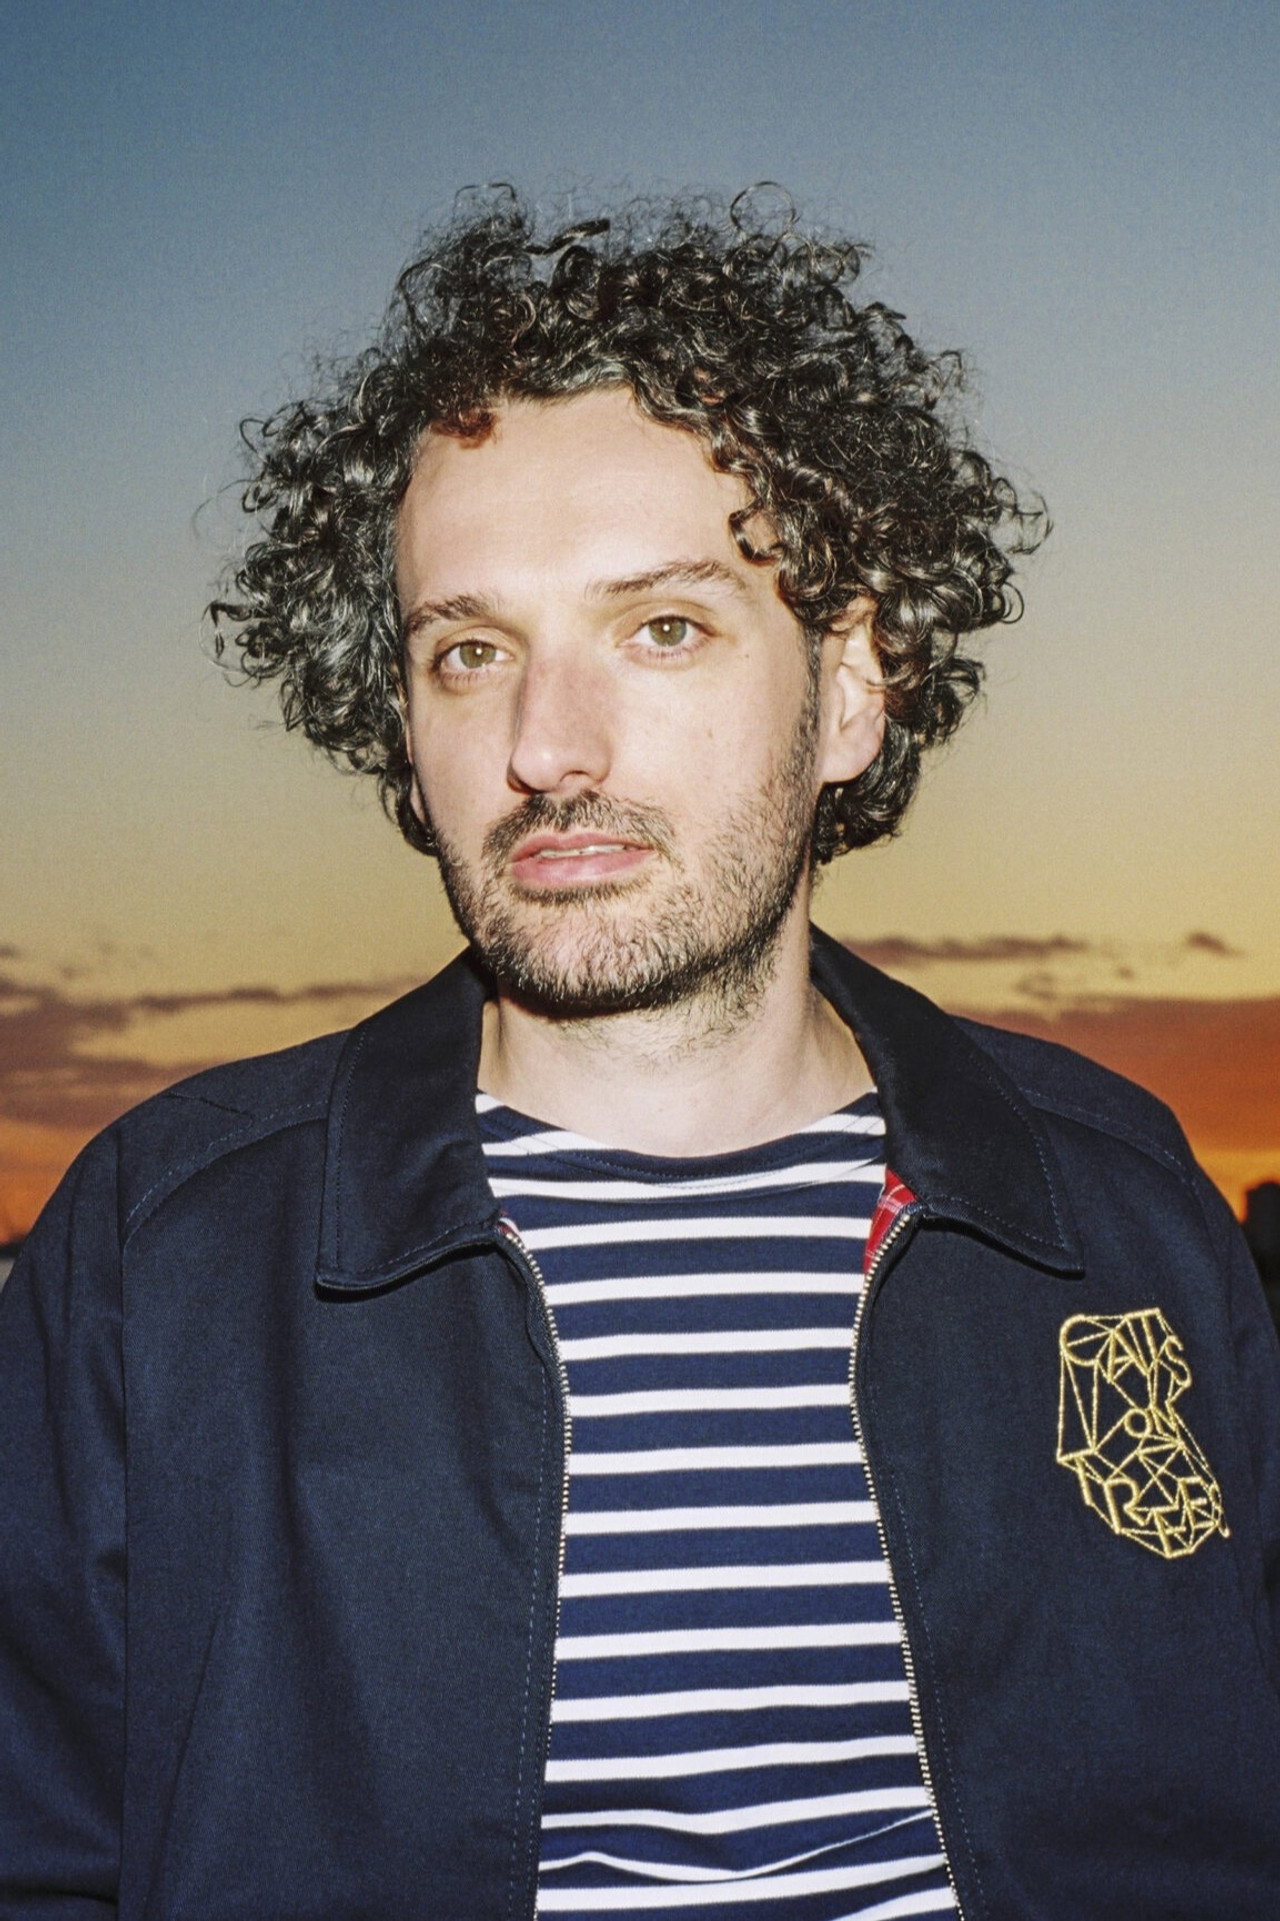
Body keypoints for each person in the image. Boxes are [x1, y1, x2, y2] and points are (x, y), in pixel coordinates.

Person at [2, 189, 1277, 1921]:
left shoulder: (1118, 1209)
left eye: (662, 627)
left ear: (849, 688)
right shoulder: (163, 1255)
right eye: (471, 651)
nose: (547, 744)